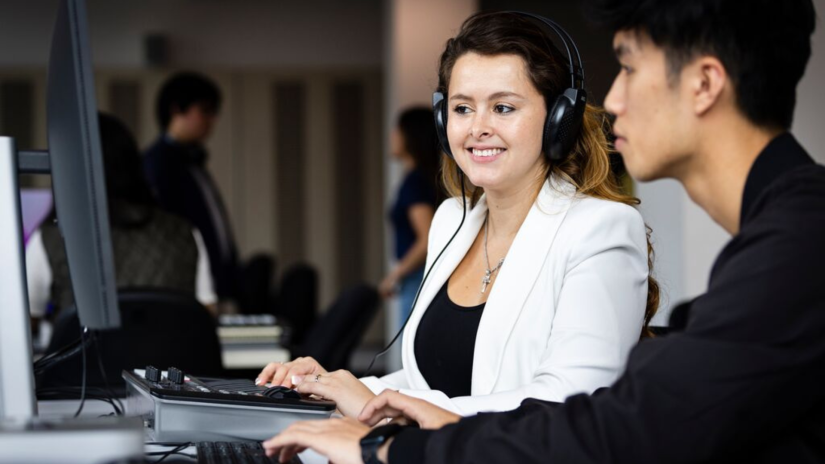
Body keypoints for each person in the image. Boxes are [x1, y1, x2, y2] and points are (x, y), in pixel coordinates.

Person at [263, 1, 825, 463]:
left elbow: (618, 426)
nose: (614, 102)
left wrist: (391, 444)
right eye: (461, 108)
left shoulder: (799, 247)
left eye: (628, 67)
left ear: (704, 83)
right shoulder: (779, 238)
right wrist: (363, 400)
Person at [255, 11, 658, 420]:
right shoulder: (453, 220)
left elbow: (570, 401)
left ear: (559, 120)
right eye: (462, 108)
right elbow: (426, 381)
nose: (477, 128)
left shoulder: (599, 229)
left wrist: (387, 411)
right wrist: (332, 387)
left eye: (503, 108)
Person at [26, 113, 216, 321]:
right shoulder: (185, 233)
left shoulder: (52, 238)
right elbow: (207, 317)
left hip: (86, 354)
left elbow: (21, 321)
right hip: (170, 353)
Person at [379, 107, 441, 326]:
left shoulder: (415, 182)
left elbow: (427, 239)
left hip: (418, 276)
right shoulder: (424, 178)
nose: (392, 135)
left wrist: (395, 275)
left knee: (410, 347)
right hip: (421, 274)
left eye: (398, 129)